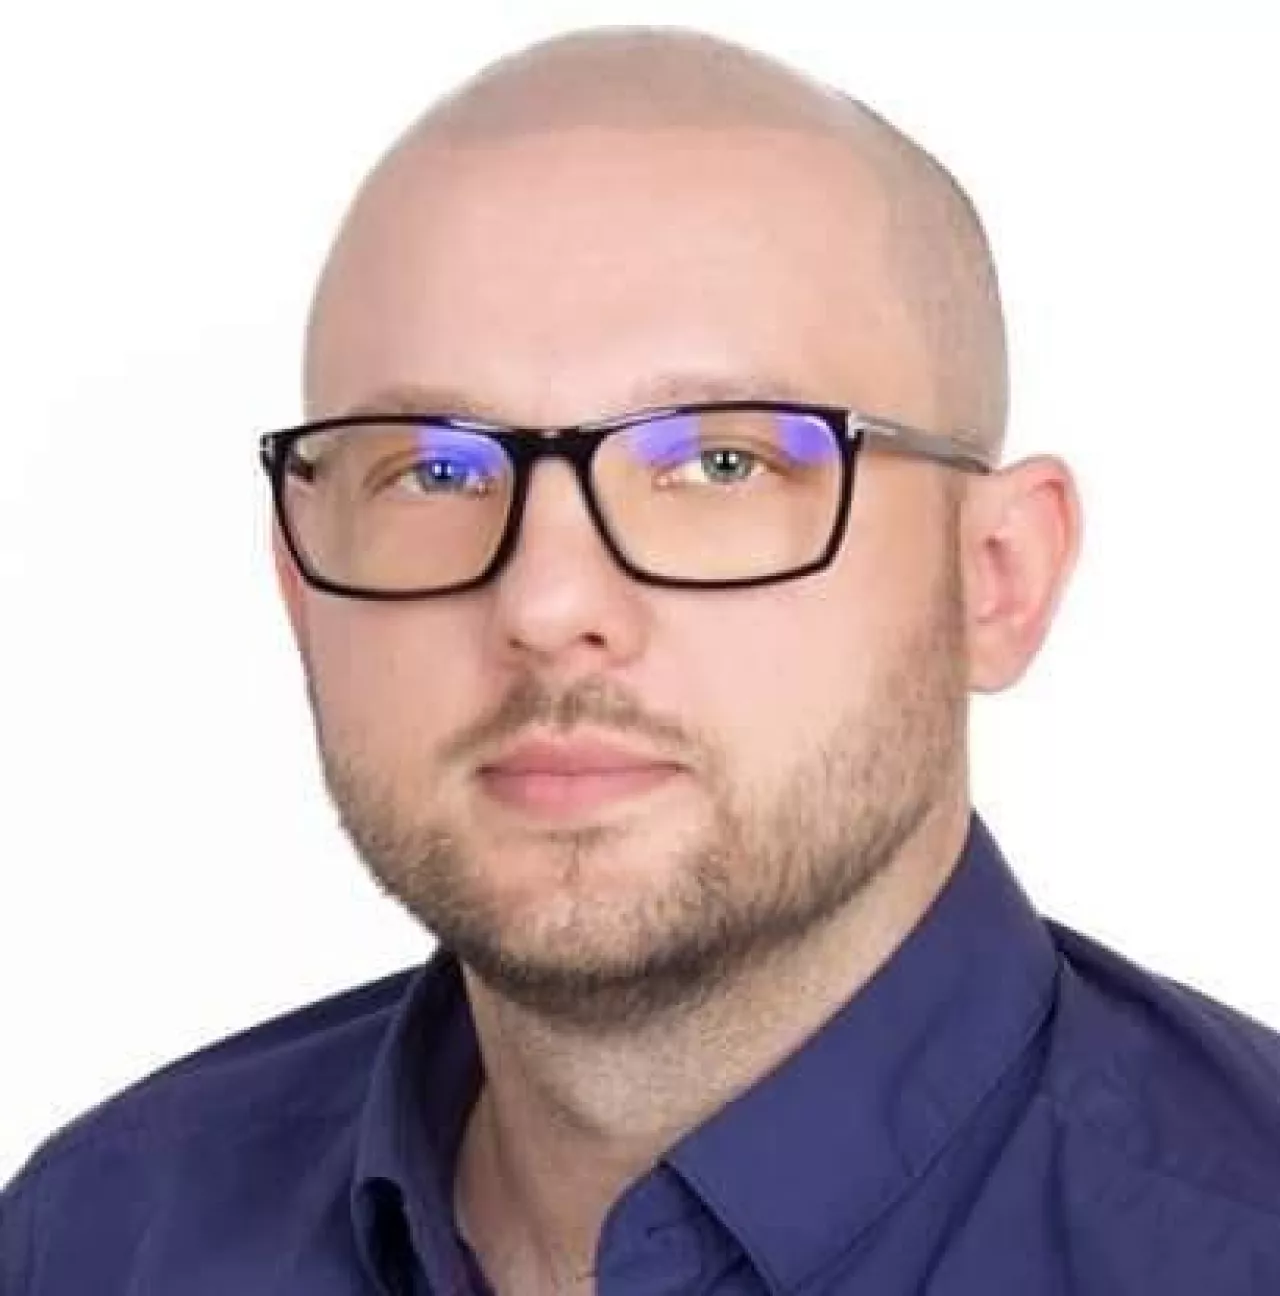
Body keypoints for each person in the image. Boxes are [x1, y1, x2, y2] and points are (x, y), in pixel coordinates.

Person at [5, 24, 1280, 1296]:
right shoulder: (97, 1242)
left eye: (721, 462)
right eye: (433, 470)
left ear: (994, 577)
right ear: (298, 587)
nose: (546, 602)